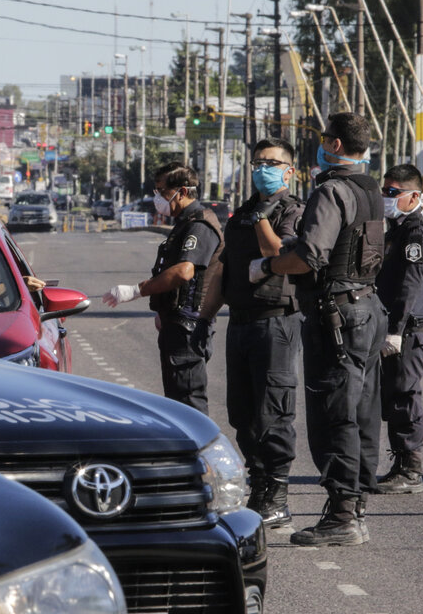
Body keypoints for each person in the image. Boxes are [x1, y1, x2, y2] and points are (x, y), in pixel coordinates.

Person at [249, 112, 386, 546]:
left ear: (337, 145)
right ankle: (354, 508)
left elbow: (310, 257)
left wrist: (268, 265)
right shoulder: (372, 189)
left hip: (337, 315)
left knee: (334, 415)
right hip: (366, 306)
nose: (321, 145)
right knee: (361, 413)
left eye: (326, 139)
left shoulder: (332, 190)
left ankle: (342, 515)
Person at [218, 137, 305, 527]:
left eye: (271, 163)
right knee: (242, 411)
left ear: (289, 170)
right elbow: (224, 269)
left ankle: (279, 493)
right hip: (240, 320)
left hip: (276, 320)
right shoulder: (242, 213)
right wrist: (201, 317)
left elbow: (276, 252)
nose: (262, 169)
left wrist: (263, 217)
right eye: (257, 163)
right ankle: (259, 482)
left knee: (274, 410)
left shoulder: (293, 210)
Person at [103, 162, 224, 415]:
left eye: (161, 191)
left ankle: (201, 453)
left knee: (188, 404)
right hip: (177, 323)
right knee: (177, 402)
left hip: (188, 326)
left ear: (181, 192)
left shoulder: (199, 224)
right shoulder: (184, 222)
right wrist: (163, 309)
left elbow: (184, 271)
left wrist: (136, 290)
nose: (157, 198)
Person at [375, 164, 423, 494]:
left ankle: (410, 470)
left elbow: (410, 285)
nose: (386, 197)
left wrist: (395, 330)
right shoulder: (397, 230)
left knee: (405, 395)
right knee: (393, 395)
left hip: (410, 330)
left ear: (414, 196)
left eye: (392, 193)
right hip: (399, 327)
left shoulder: (415, 233)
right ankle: (400, 463)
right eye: (384, 190)